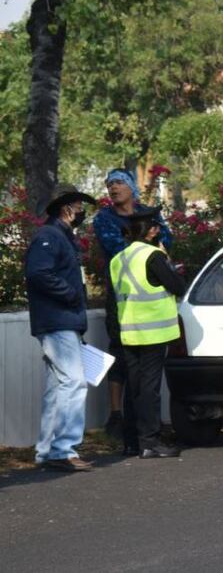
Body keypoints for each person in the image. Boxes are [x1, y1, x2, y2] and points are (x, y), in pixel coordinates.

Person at [93, 168, 172, 455]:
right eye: (109, 184)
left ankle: (139, 435)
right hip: (122, 300)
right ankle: (122, 421)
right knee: (124, 359)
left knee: (143, 376)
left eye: (118, 183)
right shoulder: (104, 218)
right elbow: (118, 247)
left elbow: (167, 238)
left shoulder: (147, 211)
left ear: (130, 188)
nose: (113, 188)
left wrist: (153, 243)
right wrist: (151, 246)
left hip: (152, 314)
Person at [25, 184, 97, 472]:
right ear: (66, 208)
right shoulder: (49, 236)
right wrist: (70, 294)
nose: (82, 211)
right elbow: (38, 272)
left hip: (61, 320)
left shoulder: (60, 237)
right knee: (74, 382)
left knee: (57, 387)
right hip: (57, 320)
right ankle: (63, 449)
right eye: (79, 206)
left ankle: (47, 451)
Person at [109, 207, 186, 459]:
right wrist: (168, 261)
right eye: (157, 227)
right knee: (150, 389)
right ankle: (150, 441)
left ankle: (131, 441)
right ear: (152, 231)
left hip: (128, 332)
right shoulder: (153, 256)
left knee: (135, 387)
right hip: (153, 333)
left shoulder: (117, 259)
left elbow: (113, 299)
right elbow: (177, 286)